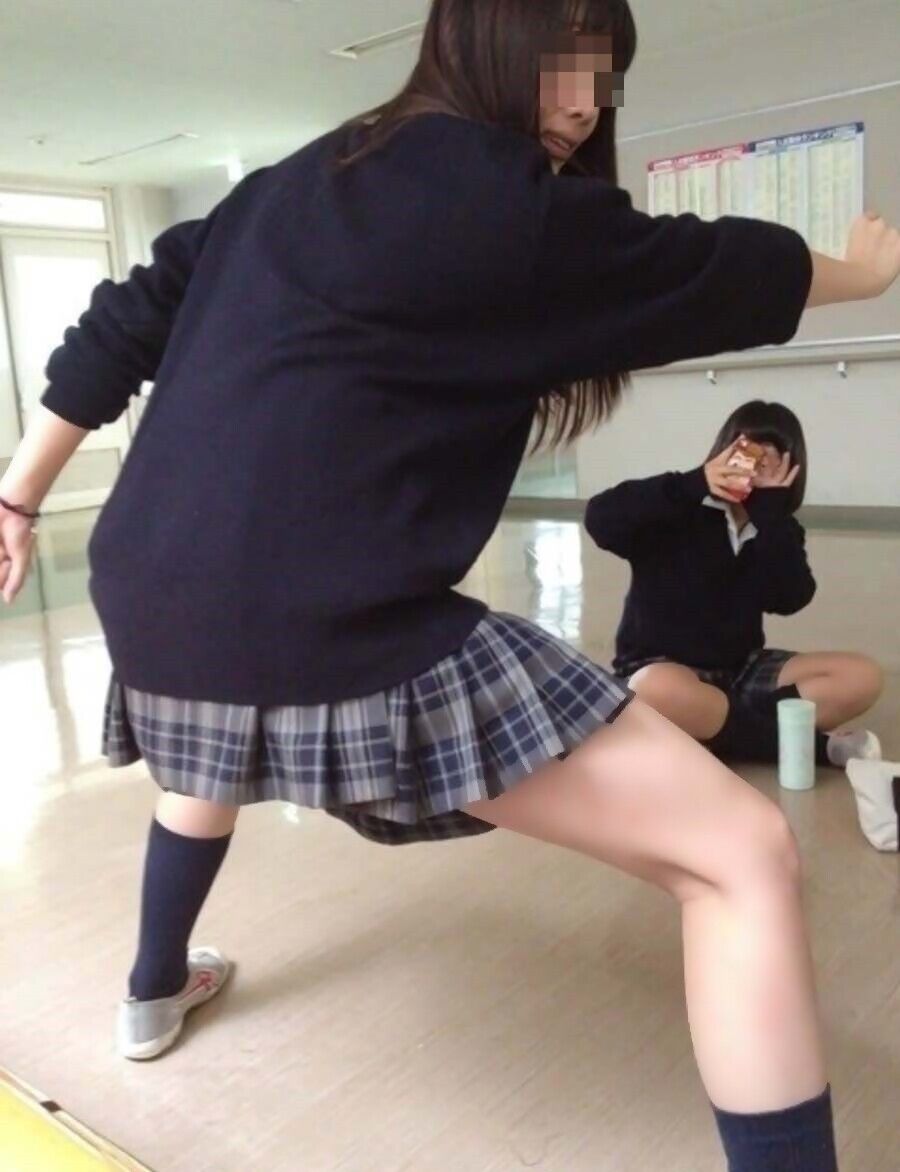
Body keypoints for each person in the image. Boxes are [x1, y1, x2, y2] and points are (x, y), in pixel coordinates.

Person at [1, 1, 898, 1168]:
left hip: (153, 606)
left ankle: (151, 992)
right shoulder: (500, 198)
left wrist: (17, 499)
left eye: (605, 79)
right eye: (566, 65)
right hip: (331, 620)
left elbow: (124, 322)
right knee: (743, 852)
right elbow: (705, 267)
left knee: (213, 746)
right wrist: (857, 273)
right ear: (478, 40)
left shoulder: (286, 185)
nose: (584, 103)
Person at [584, 401, 886, 777]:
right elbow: (600, 519)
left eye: (769, 461)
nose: (754, 468)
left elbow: (789, 598)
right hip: (663, 669)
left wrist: (771, 517)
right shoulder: (678, 506)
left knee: (861, 676)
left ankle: (712, 727)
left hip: (740, 669)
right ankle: (816, 747)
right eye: (746, 453)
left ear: (789, 470)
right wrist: (694, 482)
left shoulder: (777, 528)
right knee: (655, 687)